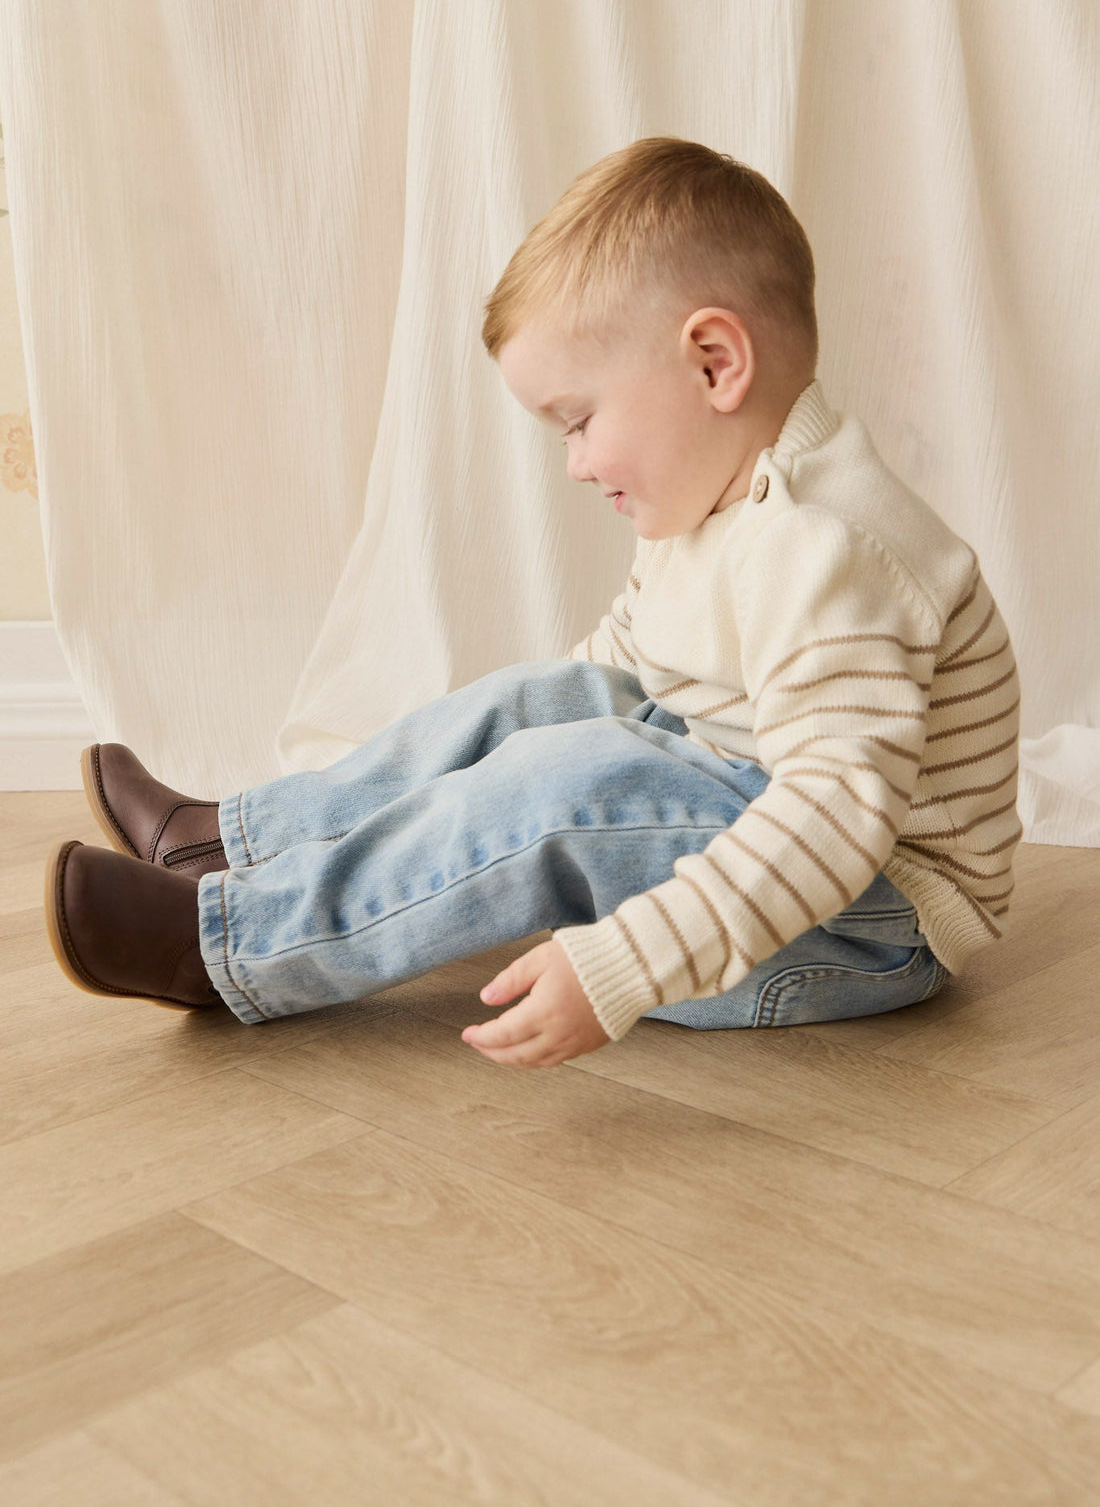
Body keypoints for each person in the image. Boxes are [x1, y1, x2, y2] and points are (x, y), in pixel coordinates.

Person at [45, 136, 1022, 1069]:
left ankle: (234, 945)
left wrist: (622, 960)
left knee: (574, 778)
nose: (576, 463)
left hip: (867, 923)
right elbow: (621, 667)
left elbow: (831, 818)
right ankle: (236, 844)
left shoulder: (825, 549)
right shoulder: (711, 503)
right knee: (543, 704)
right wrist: (517, 746)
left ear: (714, 363)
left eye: (579, 420)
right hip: (759, 812)